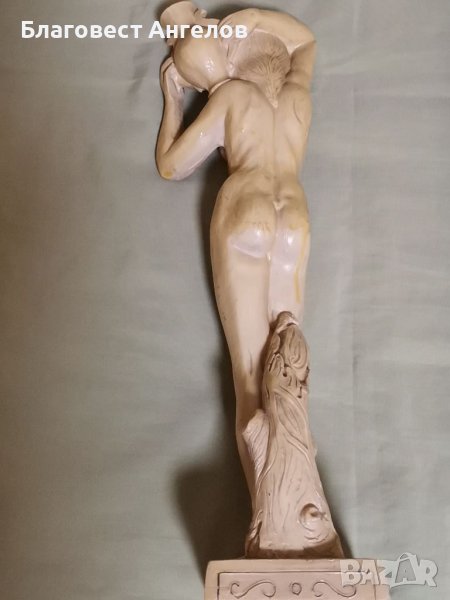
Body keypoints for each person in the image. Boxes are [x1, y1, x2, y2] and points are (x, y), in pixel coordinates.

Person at [156, 4, 316, 500]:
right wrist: (250, 17)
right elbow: (306, 42)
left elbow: (171, 166)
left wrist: (172, 99)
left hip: (246, 204)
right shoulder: (296, 94)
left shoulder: (229, 97)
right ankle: (302, 503)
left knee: (250, 374)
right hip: (294, 214)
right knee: (289, 367)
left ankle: (271, 514)